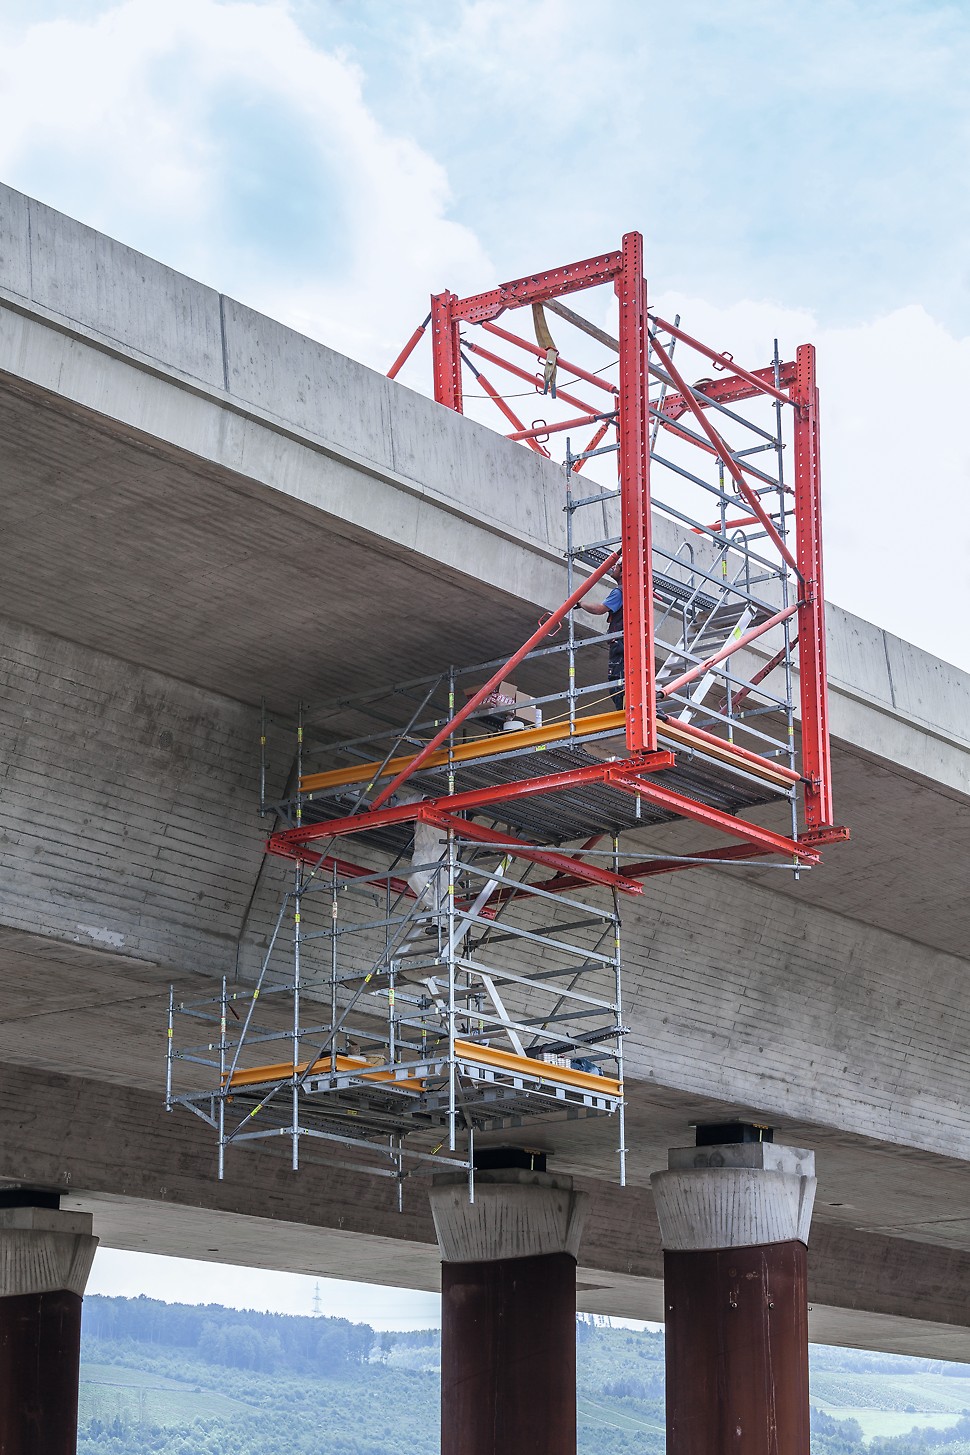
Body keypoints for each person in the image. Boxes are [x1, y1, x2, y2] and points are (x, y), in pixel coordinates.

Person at [583, 562, 624, 709]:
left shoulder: (619, 592)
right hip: (628, 643)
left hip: (619, 644)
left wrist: (580, 603)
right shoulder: (632, 591)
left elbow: (600, 609)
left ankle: (624, 714)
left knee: (617, 682)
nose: (613, 568)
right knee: (624, 681)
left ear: (623, 572)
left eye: (617, 566)